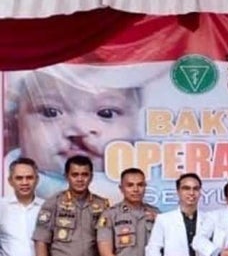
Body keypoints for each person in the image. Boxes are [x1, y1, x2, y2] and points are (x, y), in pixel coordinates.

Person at [6, 71, 142, 198]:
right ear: (15, 121)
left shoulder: (153, 181)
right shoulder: (6, 181)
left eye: (106, 113)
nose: (80, 129)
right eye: (50, 112)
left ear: (137, 123)